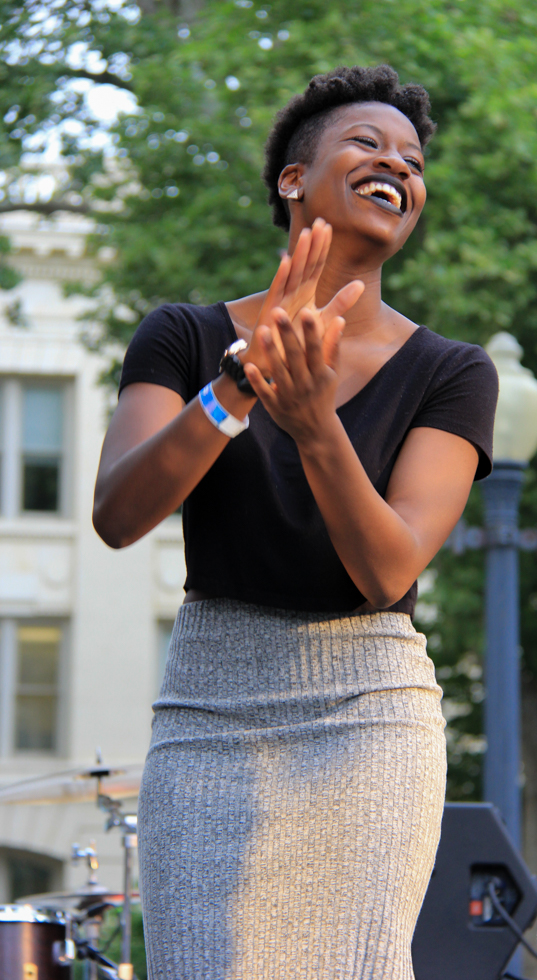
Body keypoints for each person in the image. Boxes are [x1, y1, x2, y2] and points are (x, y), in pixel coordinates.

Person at [93, 64, 498, 980]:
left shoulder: (452, 372)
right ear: (292, 179)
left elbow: (388, 569)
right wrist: (238, 384)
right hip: (208, 708)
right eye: (366, 144)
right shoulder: (182, 336)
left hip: (369, 712)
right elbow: (118, 514)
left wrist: (315, 423)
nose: (397, 165)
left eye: (412, 160)